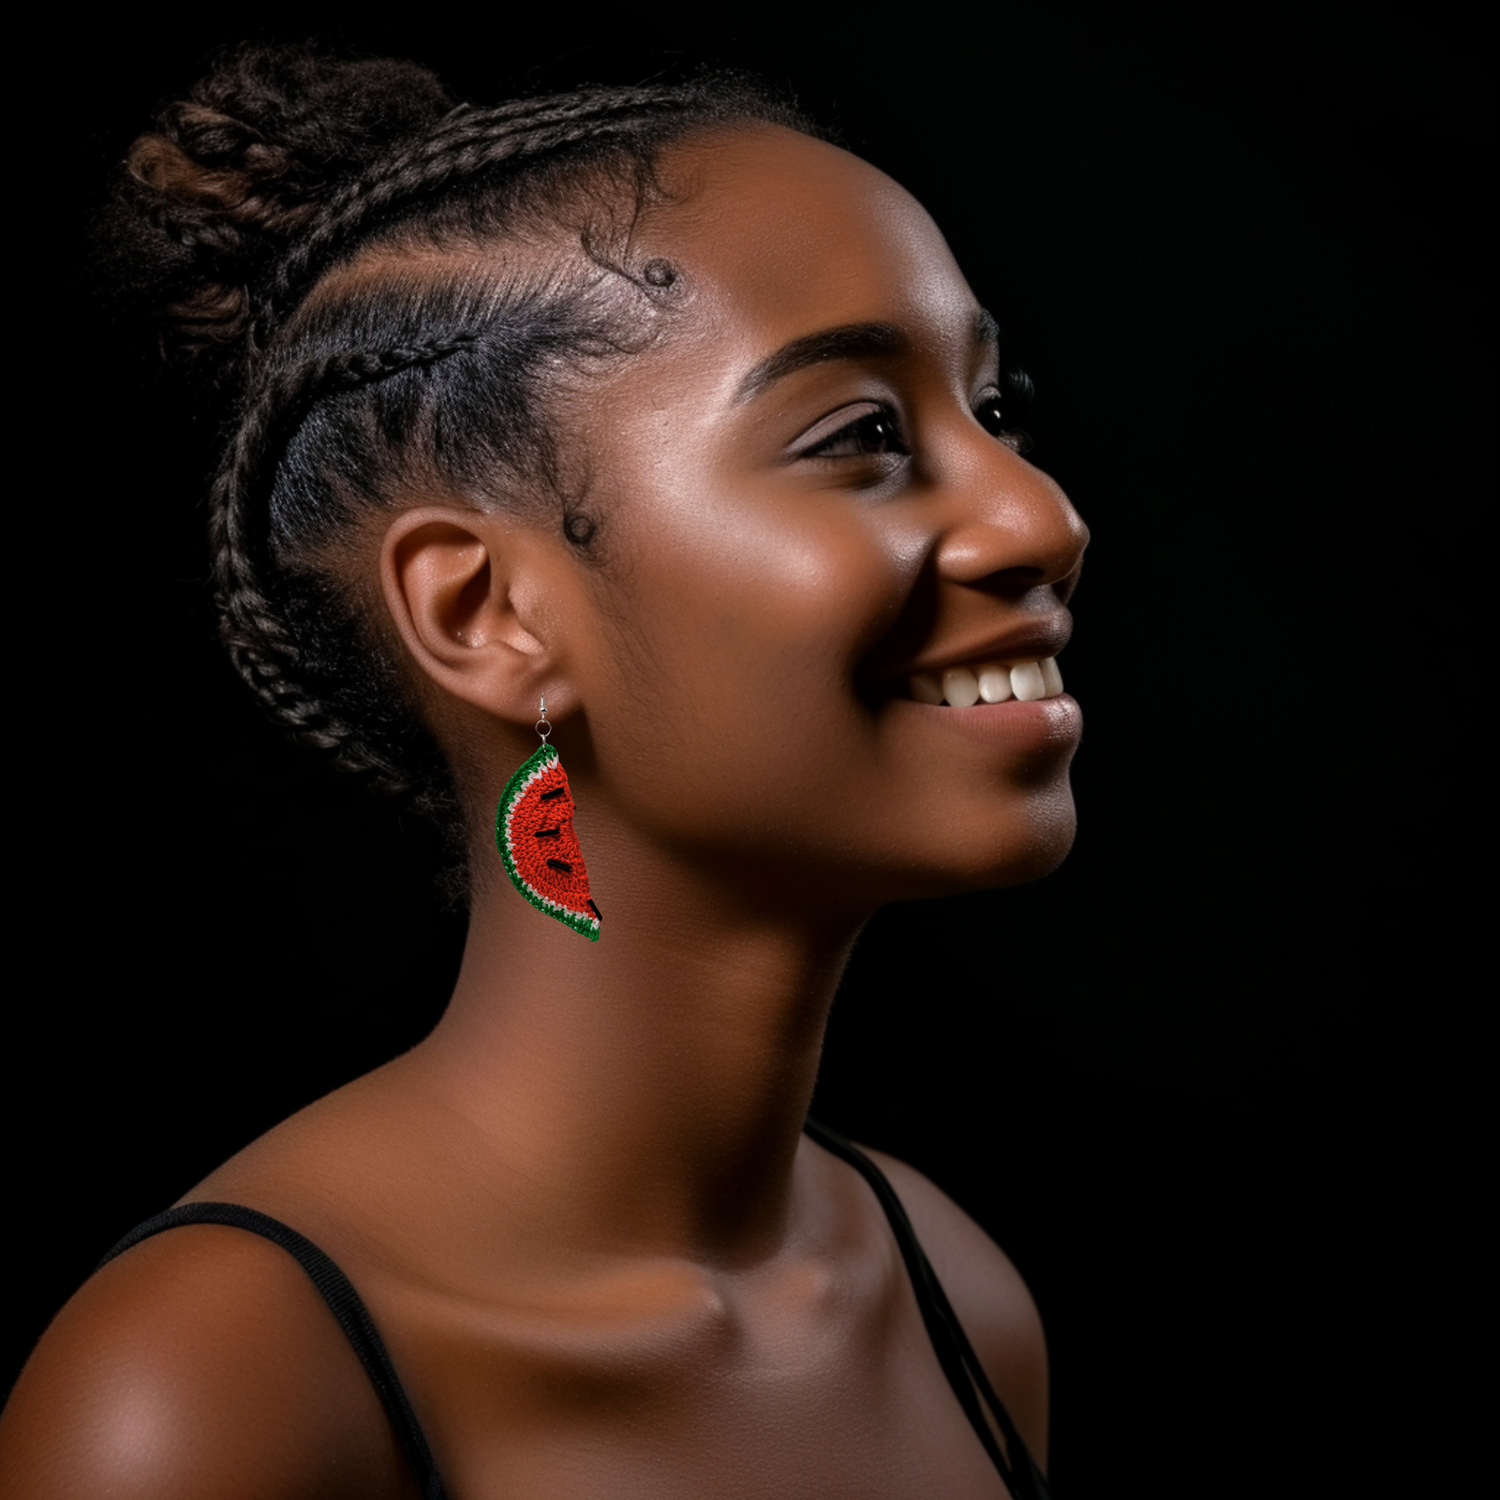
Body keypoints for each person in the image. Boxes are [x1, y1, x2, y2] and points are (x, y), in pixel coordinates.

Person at [1, 42, 1085, 1499]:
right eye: (863, 438)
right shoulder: (216, 1391)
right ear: (486, 615)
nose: (1041, 515)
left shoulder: (956, 1298)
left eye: (995, 410)